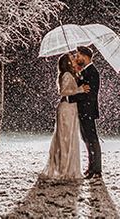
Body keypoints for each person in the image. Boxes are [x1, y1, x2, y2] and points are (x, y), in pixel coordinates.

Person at [40, 53, 90, 181]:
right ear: (67, 62)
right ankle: (63, 169)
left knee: (70, 138)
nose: (75, 58)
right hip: (66, 109)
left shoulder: (71, 74)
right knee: (65, 139)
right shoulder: (67, 75)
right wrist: (80, 89)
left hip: (71, 109)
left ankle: (68, 168)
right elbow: (63, 91)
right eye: (72, 58)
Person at [67, 45, 102, 179]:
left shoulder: (92, 72)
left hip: (88, 110)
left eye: (78, 55)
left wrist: (71, 97)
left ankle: (97, 169)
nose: (76, 57)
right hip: (82, 110)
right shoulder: (84, 71)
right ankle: (91, 167)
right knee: (86, 139)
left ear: (85, 56)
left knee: (92, 139)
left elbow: (89, 94)